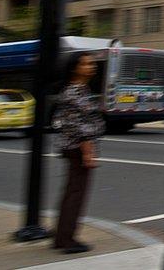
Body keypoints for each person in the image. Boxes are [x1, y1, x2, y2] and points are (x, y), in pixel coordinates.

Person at [53, 51, 105, 254]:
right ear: (75, 68)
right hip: (78, 148)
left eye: (92, 64)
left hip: (74, 147)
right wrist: (88, 153)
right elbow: (80, 126)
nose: (91, 67)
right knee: (76, 194)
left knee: (71, 193)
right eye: (86, 64)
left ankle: (62, 236)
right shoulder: (75, 92)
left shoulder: (79, 89)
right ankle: (68, 239)